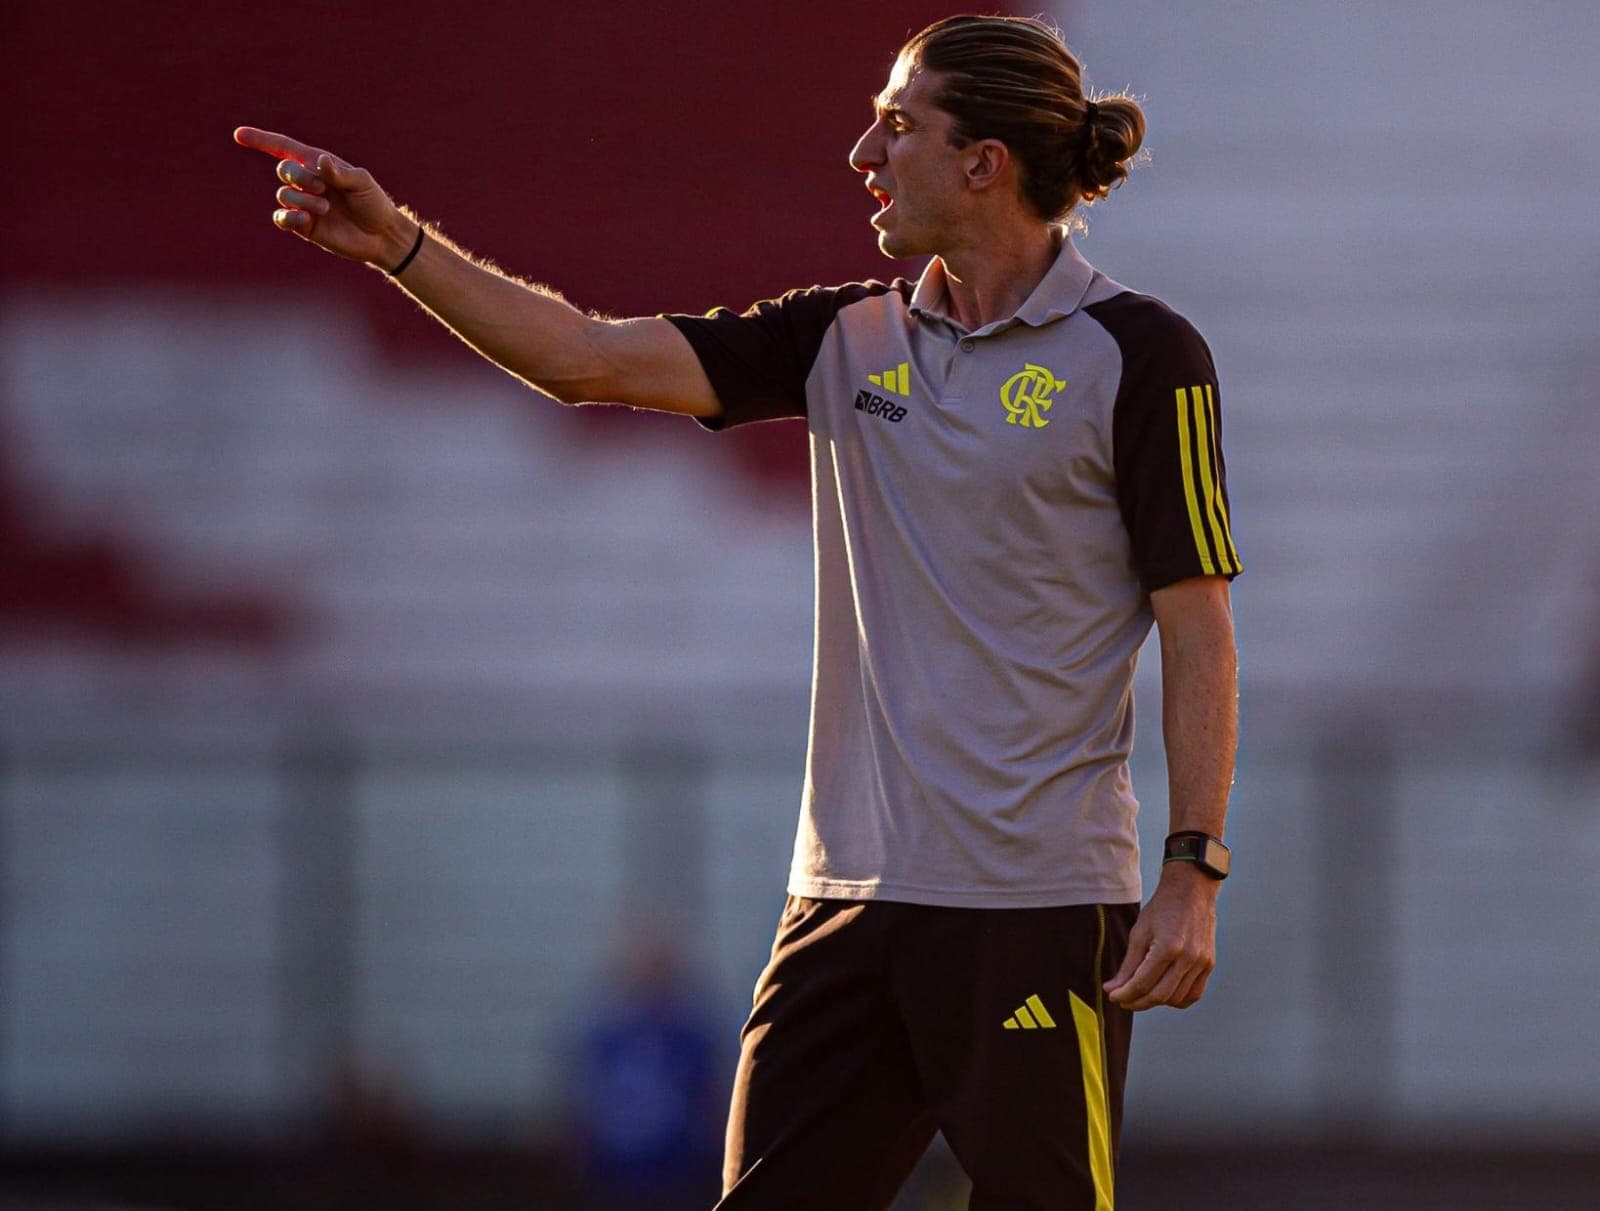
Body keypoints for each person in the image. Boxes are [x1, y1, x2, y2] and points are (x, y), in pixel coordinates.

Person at [237, 14, 1241, 1209]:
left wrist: (1192, 865)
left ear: (984, 162)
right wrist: (399, 246)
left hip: (1037, 904)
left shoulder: (1141, 353)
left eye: (898, 124)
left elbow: (1198, 626)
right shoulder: (844, 338)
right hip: (842, 903)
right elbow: (584, 358)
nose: (864, 154)